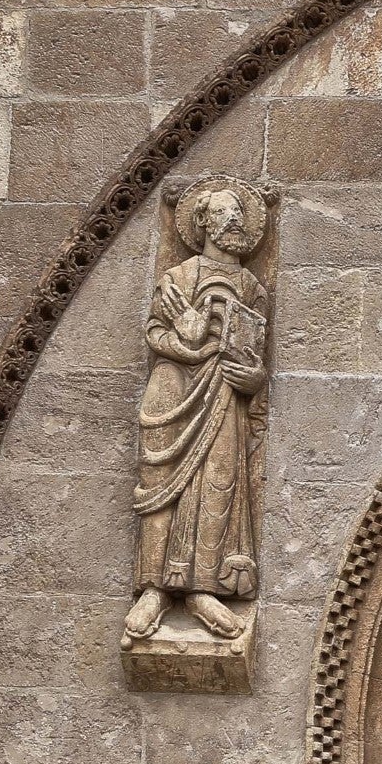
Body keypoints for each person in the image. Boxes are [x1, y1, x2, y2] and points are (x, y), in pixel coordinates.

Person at [124, 177, 268, 647]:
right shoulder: (179, 277)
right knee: (159, 485)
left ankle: (204, 588)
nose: (234, 221)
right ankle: (153, 589)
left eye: (239, 214)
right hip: (172, 389)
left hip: (225, 391)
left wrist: (255, 379)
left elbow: (255, 351)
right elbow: (155, 333)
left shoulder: (252, 286)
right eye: (224, 213)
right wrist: (187, 343)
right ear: (203, 222)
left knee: (220, 482)